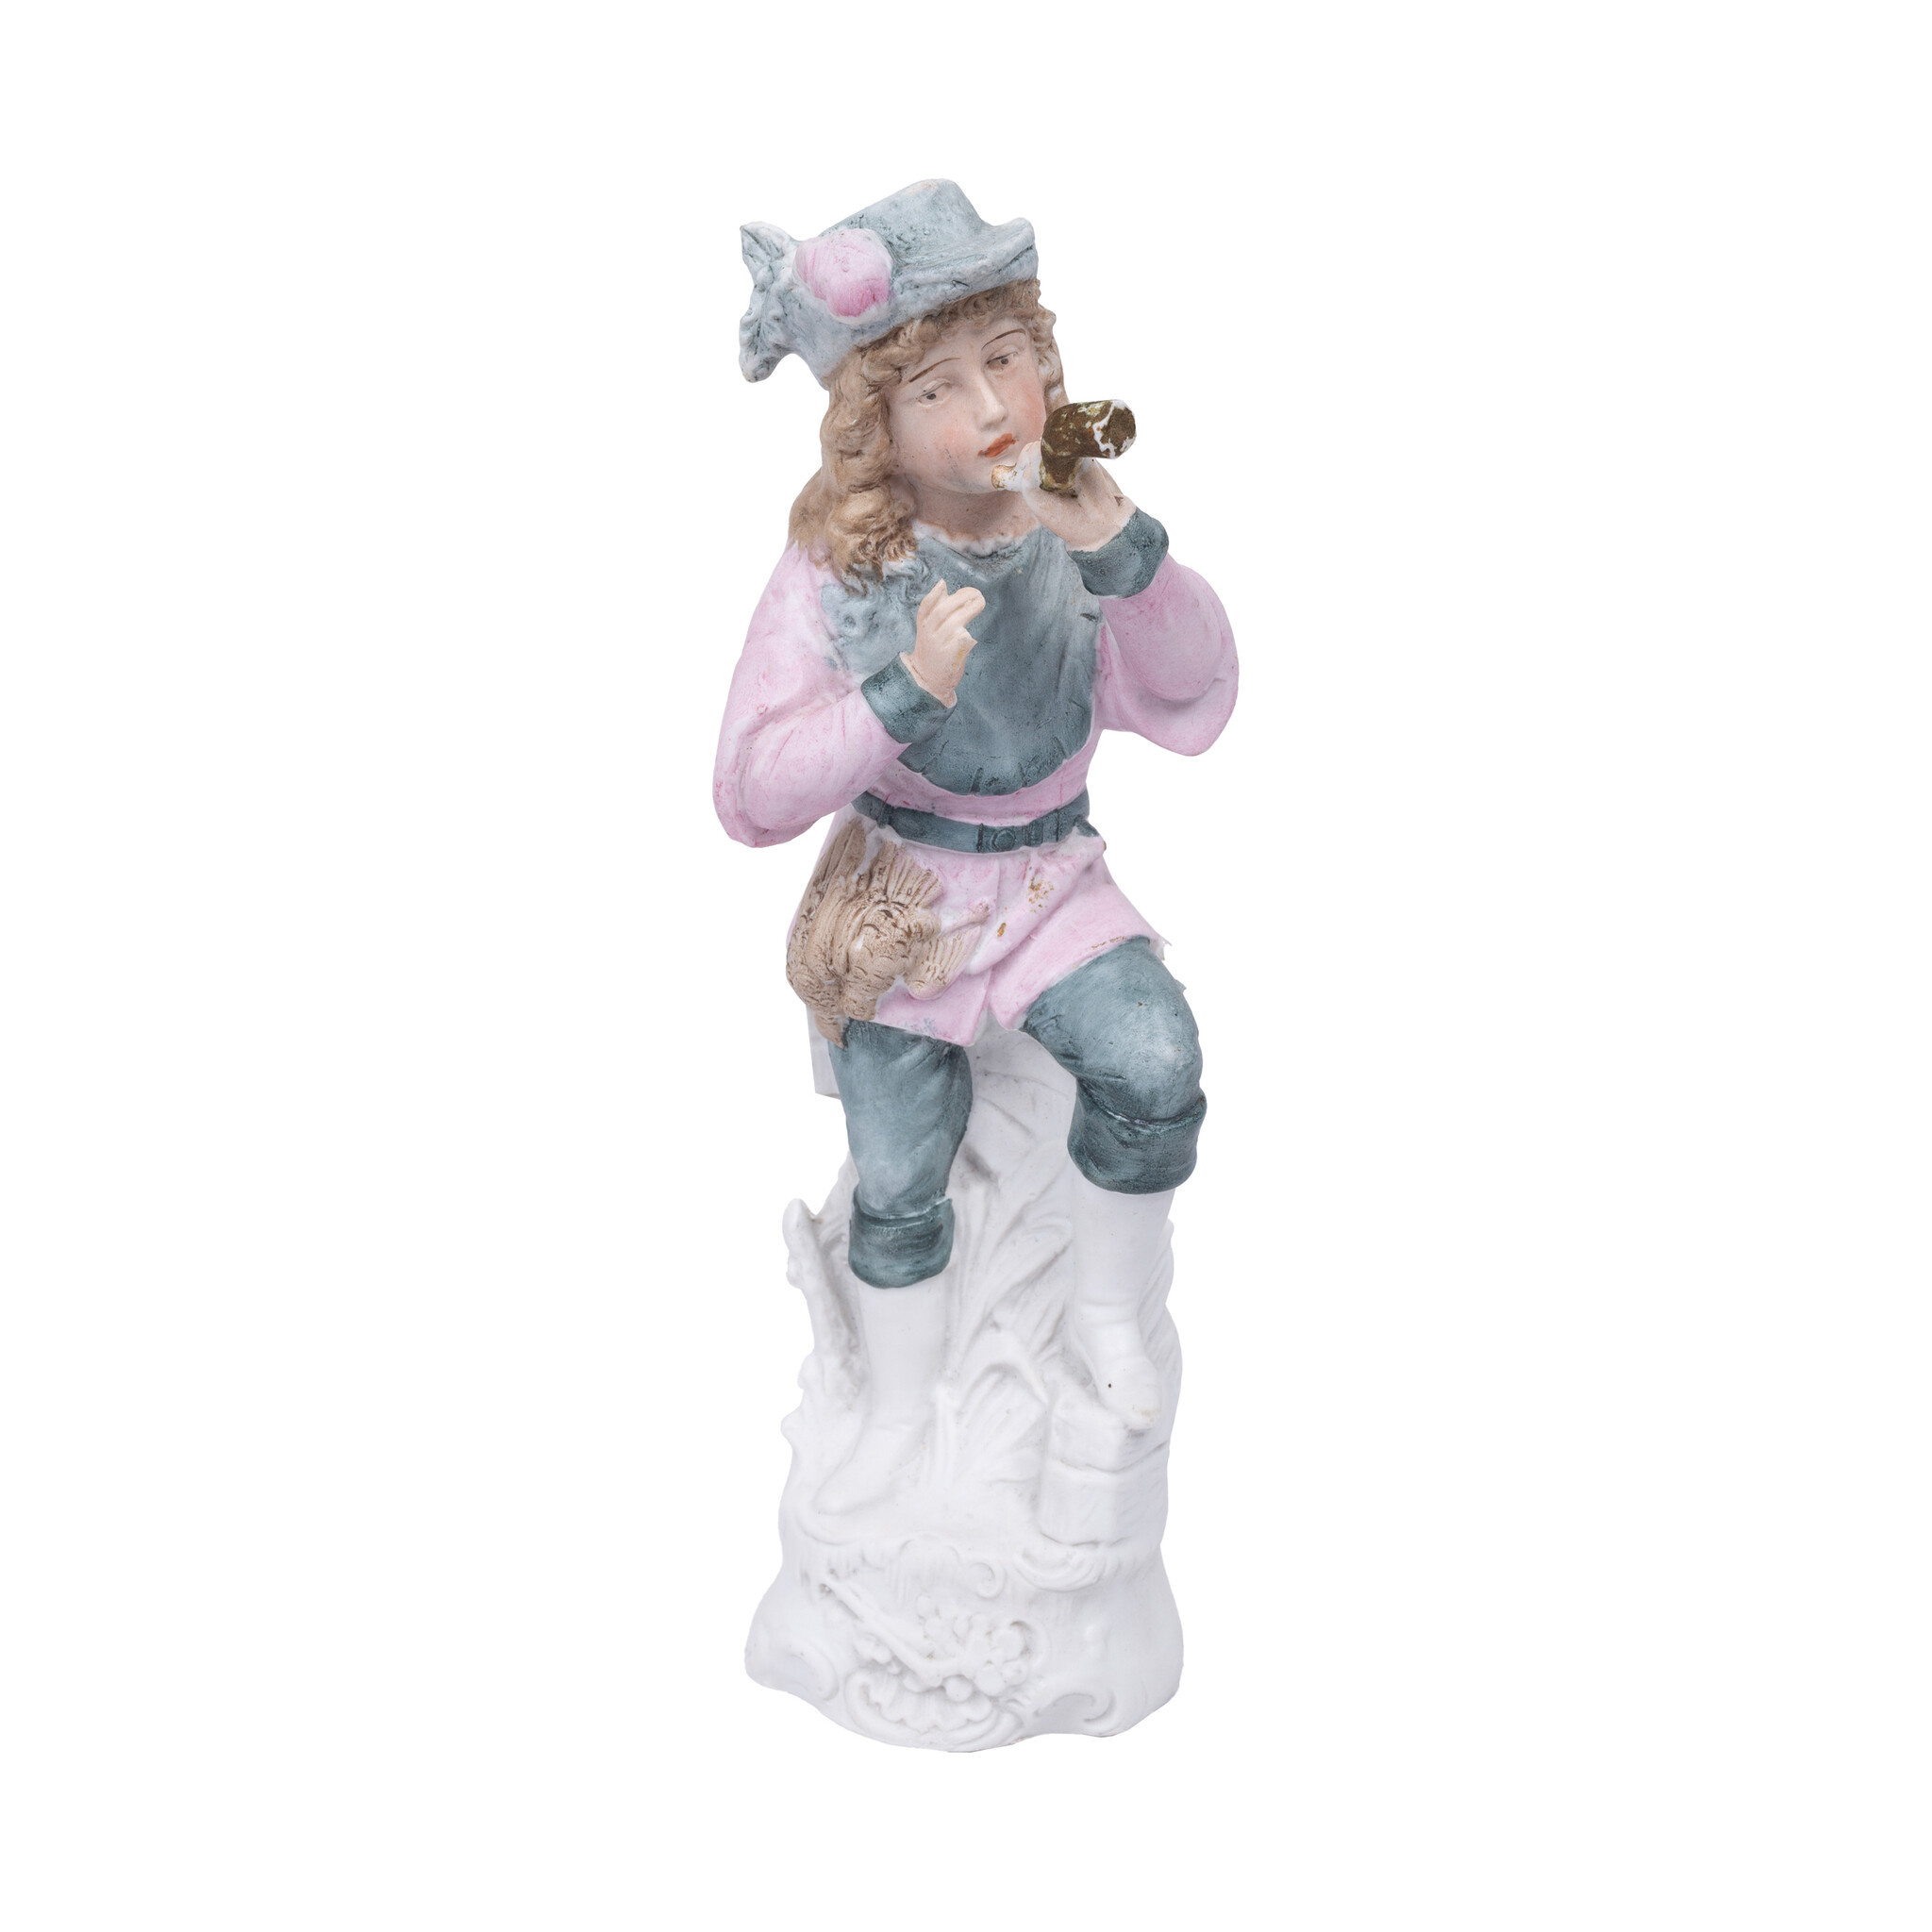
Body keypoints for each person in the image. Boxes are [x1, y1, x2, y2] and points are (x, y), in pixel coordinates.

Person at [714, 183, 1238, 1507]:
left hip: (1051, 879)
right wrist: (897, 696)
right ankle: (899, 1405)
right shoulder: (845, 569)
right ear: (878, 428)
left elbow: (1196, 695)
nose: (995, 408)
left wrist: (1127, 559)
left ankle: (1108, 1317)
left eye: (1008, 360)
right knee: (898, 1170)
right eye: (940, 387)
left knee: (1155, 1061)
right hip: (904, 899)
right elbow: (749, 788)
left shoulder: (1071, 525)